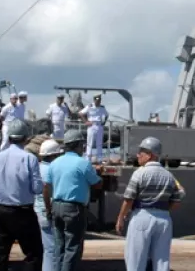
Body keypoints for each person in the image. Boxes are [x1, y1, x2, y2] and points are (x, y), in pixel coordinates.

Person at [116, 137, 186, 271]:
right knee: (161, 262)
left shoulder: (139, 173)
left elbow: (129, 199)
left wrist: (120, 218)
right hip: (164, 219)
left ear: (150, 155)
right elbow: (178, 199)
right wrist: (163, 211)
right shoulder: (169, 176)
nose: (138, 155)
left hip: (142, 217)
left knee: (135, 261)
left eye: (141, 152)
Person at [0, 119, 44, 270]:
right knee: (33, 253)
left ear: (9, 137)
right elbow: (37, 188)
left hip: (1, 209)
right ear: (26, 138)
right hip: (22, 211)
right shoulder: (29, 158)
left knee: (1, 253)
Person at [43, 129, 102, 271]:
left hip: (56, 206)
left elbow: (46, 187)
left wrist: (48, 208)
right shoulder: (83, 163)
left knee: (59, 247)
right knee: (72, 248)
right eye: (82, 145)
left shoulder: (55, 163)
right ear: (77, 145)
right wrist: (97, 173)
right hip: (74, 209)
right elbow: (97, 184)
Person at [35, 139, 64, 271]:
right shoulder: (53, 169)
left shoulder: (37, 168)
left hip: (37, 210)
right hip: (49, 211)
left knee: (46, 248)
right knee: (53, 249)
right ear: (54, 155)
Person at [79, 94, 109, 162]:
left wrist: (103, 122)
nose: (98, 101)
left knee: (99, 143)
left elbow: (107, 115)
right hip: (91, 125)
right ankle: (88, 160)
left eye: (99, 100)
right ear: (94, 99)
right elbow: (80, 113)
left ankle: (99, 160)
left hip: (99, 125)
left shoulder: (102, 108)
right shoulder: (89, 106)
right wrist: (86, 122)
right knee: (90, 143)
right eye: (97, 100)